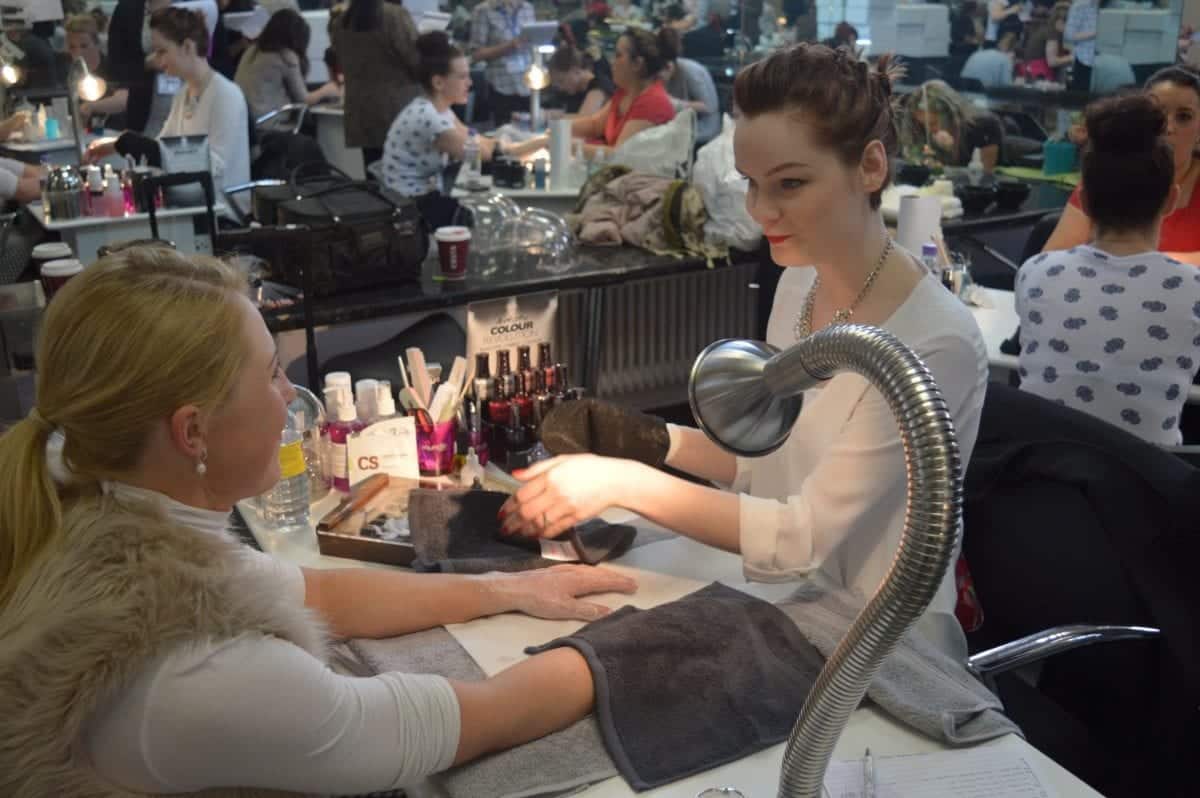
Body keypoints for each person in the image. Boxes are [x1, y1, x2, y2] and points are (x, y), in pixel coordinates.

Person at [0, 247, 636, 794]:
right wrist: (639, 643)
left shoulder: (101, 516)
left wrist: (509, 589)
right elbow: (474, 716)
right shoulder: (198, 672)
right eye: (271, 373)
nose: (288, 394)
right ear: (192, 432)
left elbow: (317, 592)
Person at [499, 43, 989, 660]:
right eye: (752, 184)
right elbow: (769, 457)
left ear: (870, 167)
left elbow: (804, 536)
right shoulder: (802, 279)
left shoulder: (933, 341)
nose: (761, 211)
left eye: (790, 183)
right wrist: (647, 439)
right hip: (784, 601)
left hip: (879, 646)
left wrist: (625, 482)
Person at [1016, 93, 1200, 445]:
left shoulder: (1035, 272)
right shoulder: (1193, 290)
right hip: (1148, 475)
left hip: (1039, 469)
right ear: (1171, 200)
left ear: (1084, 201)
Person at [84, 7, 250, 203]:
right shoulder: (183, 94)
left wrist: (135, 144)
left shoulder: (226, 95)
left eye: (162, 51)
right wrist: (114, 145)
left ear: (187, 47)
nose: (157, 60)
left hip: (221, 209)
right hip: (189, 203)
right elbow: (162, 144)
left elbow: (217, 167)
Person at [1043, 66, 1200, 263]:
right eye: (1157, 114)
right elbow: (1051, 258)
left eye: (1184, 117)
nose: (1168, 127)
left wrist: (1148, 266)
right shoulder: (1107, 172)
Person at [561, 28, 678, 157]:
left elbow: (619, 155)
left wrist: (561, 144)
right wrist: (557, 129)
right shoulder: (625, 92)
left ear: (637, 64)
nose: (612, 62)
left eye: (618, 55)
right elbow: (594, 125)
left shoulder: (653, 102)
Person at [332, 0, 420, 170]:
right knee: (404, 176)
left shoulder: (341, 21)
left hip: (361, 112)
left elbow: (341, 61)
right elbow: (416, 61)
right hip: (398, 110)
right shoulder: (395, 16)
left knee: (373, 174)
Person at [235, 8, 326, 126]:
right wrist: (328, 90)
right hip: (271, 124)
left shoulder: (251, 50)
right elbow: (304, 99)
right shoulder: (285, 56)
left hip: (245, 125)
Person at [896, 80, 1006, 172]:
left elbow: (984, 175)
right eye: (922, 124)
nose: (928, 129)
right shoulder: (920, 130)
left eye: (933, 123)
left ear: (951, 114)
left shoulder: (983, 126)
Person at [469, 0, 537, 127]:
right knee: (505, 131)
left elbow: (533, 44)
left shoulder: (527, 8)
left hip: (528, 83)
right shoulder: (483, 10)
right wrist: (509, 46)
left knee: (532, 129)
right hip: (501, 85)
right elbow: (476, 54)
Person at [659, 28, 720, 145]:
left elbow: (708, 107)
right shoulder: (665, 73)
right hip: (682, 124)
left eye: (660, 74)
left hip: (704, 128)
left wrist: (675, 104)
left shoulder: (690, 71)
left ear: (669, 66)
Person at [549, 44, 613, 116]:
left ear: (575, 70)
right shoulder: (576, 92)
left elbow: (584, 119)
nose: (561, 87)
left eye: (561, 81)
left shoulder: (599, 88)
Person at [1019, 1, 1073, 83]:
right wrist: (1073, 57)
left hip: (1030, 71)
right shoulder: (1052, 33)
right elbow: (1052, 61)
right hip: (1040, 75)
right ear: (1061, 22)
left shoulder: (1045, 28)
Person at [1064, 0, 1099, 93]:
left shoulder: (1116, 5)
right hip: (1085, 60)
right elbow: (1069, 35)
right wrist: (1096, 32)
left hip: (1109, 62)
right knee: (1082, 96)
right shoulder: (1080, 6)